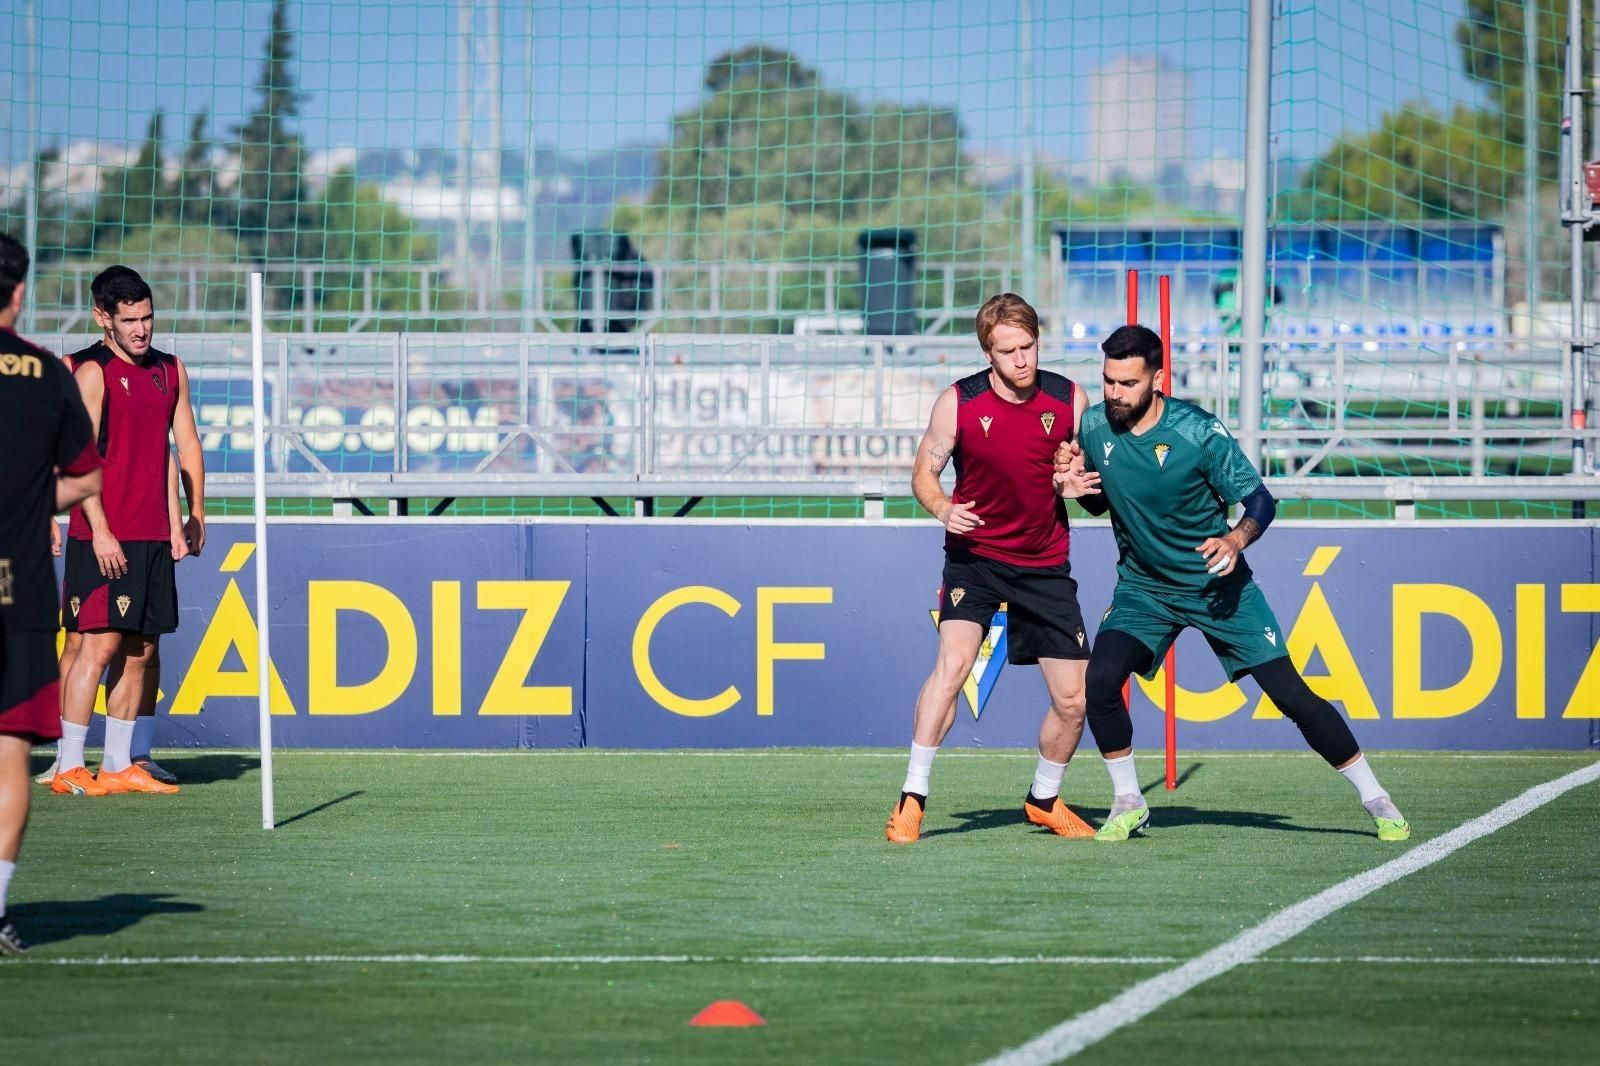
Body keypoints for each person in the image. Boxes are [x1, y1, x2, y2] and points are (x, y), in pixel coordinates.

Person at [1054, 324, 1409, 842]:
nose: (1114, 393)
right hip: (1144, 590)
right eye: (1108, 381)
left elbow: (1260, 500)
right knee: (1101, 680)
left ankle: (1377, 798)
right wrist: (1074, 487)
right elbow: (1101, 500)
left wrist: (1235, 539)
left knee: (1291, 696)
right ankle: (1128, 801)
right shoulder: (1093, 426)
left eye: (1128, 383)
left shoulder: (1198, 432)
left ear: (1157, 379)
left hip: (1218, 588)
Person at [886, 293, 1096, 844]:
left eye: (1029, 347)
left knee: (1075, 700)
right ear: (988, 353)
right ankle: (912, 797)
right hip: (974, 558)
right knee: (953, 666)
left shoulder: (1070, 399)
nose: (1022, 360)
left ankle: (1044, 799)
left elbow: (1082, 474)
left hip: (1044, 563)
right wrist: (943, 508)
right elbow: (923, 476)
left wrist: (1072, 481)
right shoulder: (958, 402)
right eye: (1008, 351)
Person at [38, 267, 199, 787]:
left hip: (151, 533)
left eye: (147, 317)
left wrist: (190, 515)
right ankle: (67, 763)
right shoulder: (88, 371)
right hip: (101, 532)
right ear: (102, 318)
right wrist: (94, 527)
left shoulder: (169, 370)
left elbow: (178, 449)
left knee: (142, 648)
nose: (141, 328)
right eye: (129, 320)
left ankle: (120, 763)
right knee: (94, 645)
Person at [0, 233, 104, 953]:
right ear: (19, 291)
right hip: (20, 588)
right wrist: (34, 502)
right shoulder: (44, 371)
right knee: (10, 751)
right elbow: (87, 476)